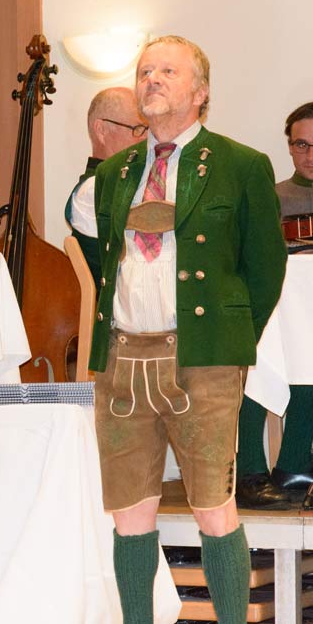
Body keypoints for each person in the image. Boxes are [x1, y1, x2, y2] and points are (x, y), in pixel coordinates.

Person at [84, 35, 286, 624]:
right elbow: (109, 262)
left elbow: (265, 270)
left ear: (200, 92)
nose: (151, 79)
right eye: (145, 70)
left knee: (214, 509)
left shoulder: (241, 165)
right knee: (129, 514)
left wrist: (227, 342)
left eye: (167, 71)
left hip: (203, 360)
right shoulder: (115, 172)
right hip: (122, 357)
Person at [235, 101, 313, 509]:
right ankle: (250, 470)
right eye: (301, 145)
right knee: (257, 355)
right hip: (278, 309)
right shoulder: (272, 196)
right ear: (289, 147)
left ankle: (295, 465)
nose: (310, 155)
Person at [64, 87, 147, 283]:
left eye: (148, 129)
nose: (146, 138)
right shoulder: (94, 190)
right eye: (137, 129)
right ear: (101, 130)